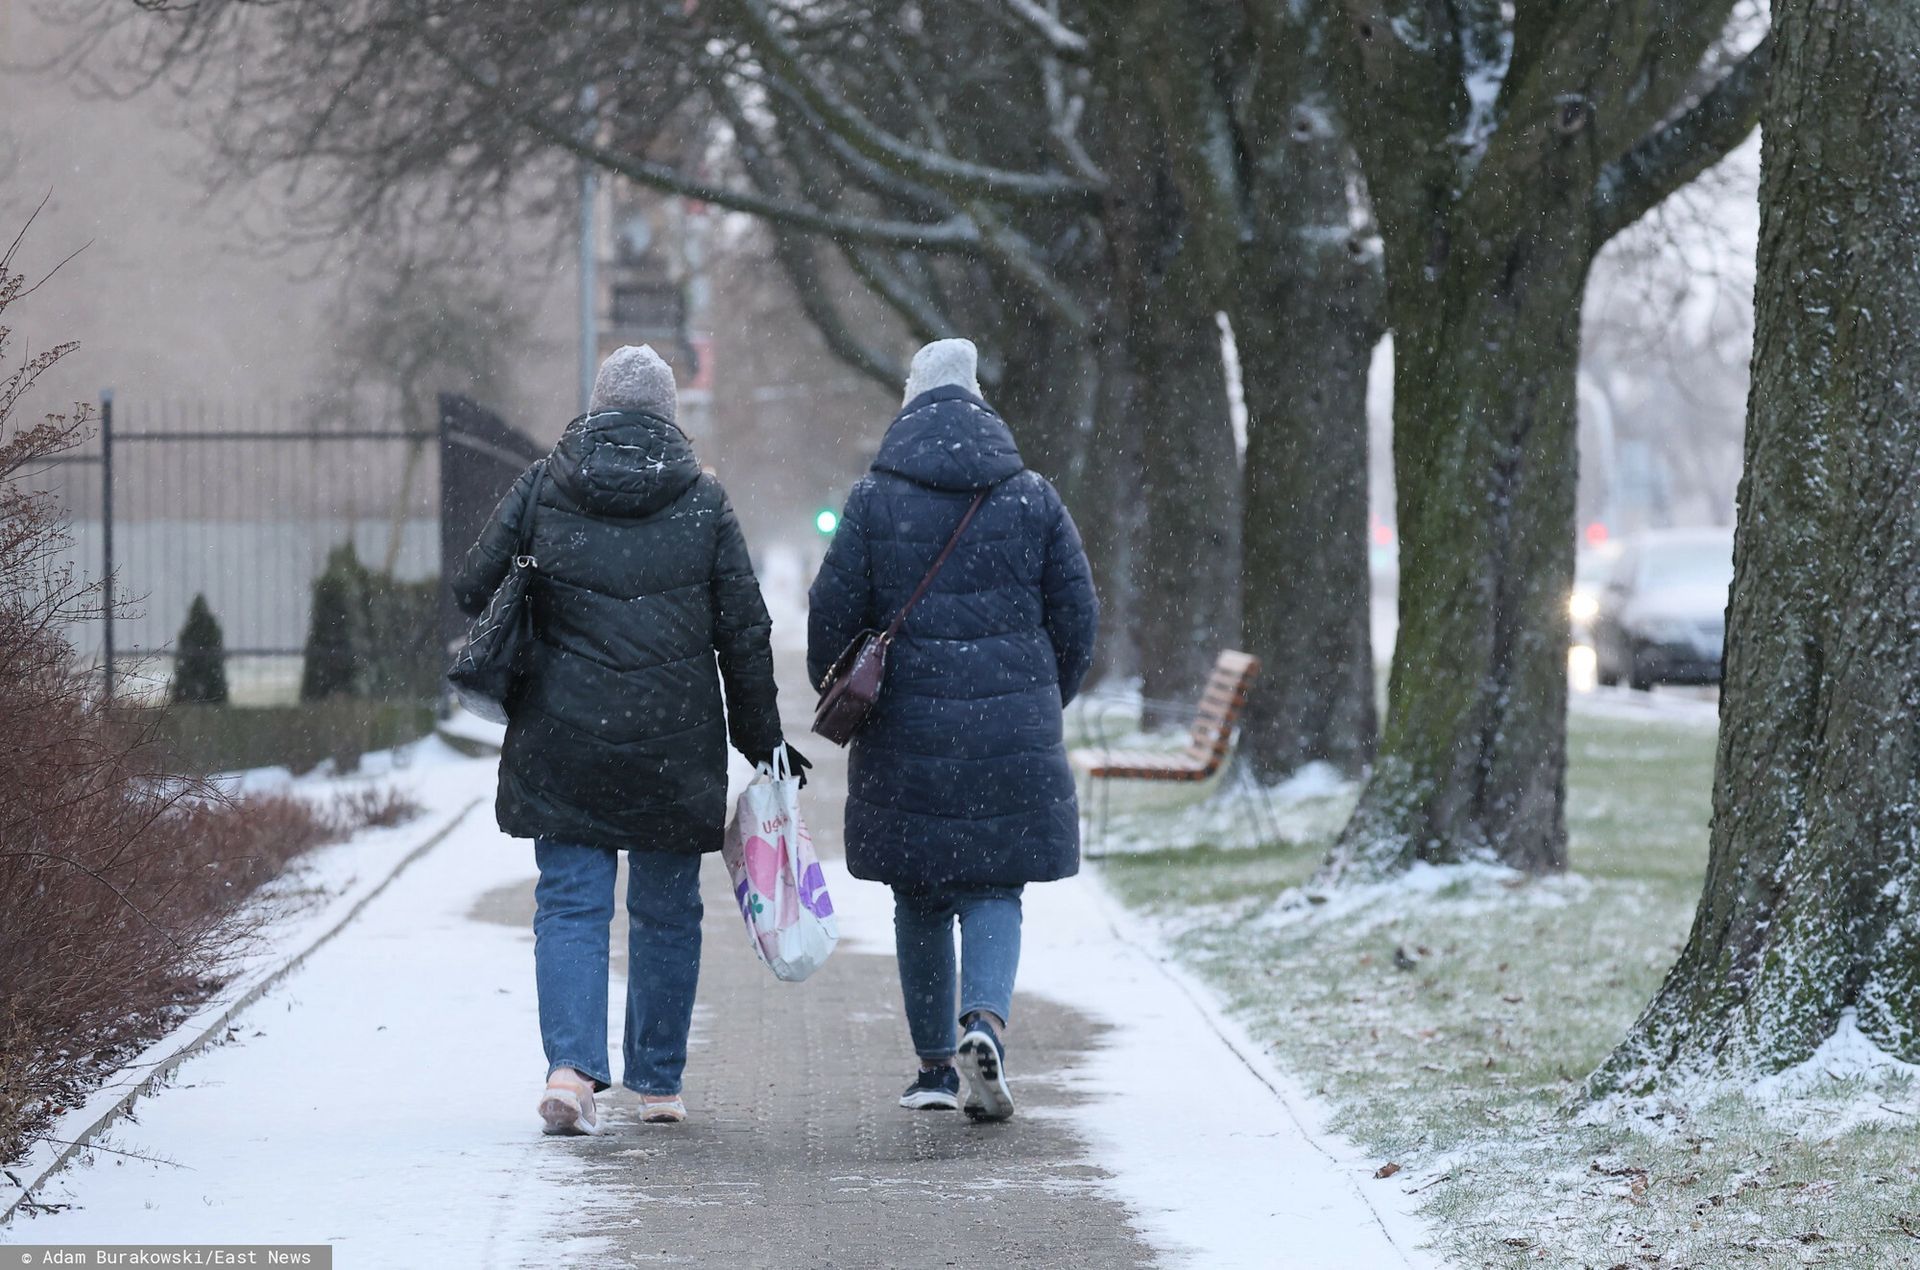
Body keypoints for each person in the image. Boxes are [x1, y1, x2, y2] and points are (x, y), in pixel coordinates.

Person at [452, 344, 807, 1135]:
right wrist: (762, 740)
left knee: (572, 906)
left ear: (599, 405)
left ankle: (570, 1073)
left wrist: (534, 564)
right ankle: (657, 1084)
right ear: (670, 416)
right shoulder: (704, 502)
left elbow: (472, 586)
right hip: (671, 743)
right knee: (667, 911)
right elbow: (744, 632)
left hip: (563, 736)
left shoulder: (545, 483)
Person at [807, 338, 1098, 1122]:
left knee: (923, 895)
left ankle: (936, 1066)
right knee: (996, 887)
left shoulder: (874, 498)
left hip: (906, 729)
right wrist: (1042, 694)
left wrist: (835, 685)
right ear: (978, 400)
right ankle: (986, 1025)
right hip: (1011, 727)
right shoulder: (1032, 495)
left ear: (911, 400)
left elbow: (831, 614)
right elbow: (1078, 613)